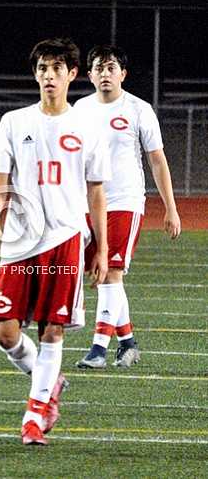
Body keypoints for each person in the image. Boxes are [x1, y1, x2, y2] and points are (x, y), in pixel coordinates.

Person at [0, 37, 111, 445]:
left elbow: (96, 192)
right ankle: (49, 381)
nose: (49, 76)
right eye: (42, 68)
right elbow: (0, 179)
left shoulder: (89, 126)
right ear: (35, 74)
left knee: (53, 329)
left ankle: (33, 418)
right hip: (21, 242)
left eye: (57, 68)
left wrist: (102, 248)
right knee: (5, 332)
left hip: (66, 237)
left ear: (73, 75)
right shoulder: (14, 121)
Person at [75, 44, 181, 370]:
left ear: (122, 74)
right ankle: (128, 343)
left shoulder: (138, 109)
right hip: (88, 204)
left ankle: (97, 349)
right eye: (99, 68)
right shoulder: (79, 109)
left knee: (112, 271)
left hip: (125, 201)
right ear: (89, 75)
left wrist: (171, 208)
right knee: (103, 275)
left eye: (111, 68)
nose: (105, 74)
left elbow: (157, 160)